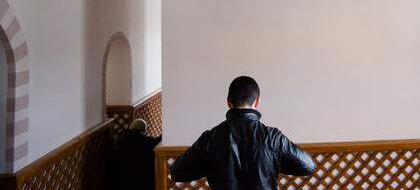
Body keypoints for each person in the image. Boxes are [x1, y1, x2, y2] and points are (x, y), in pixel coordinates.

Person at [171, 76, 315, 189]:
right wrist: (274, 160)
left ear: (228, 102)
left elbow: (177, 172)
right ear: (257, 102)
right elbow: (308, 166)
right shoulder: (273, 138)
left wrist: (208, 164)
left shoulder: (210, 138)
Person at [114, 118, 162, 190]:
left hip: (123, 174)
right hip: (142, 175)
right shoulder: (146, 140)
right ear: (144, 130)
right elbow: (157, 141)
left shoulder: (121, 138)